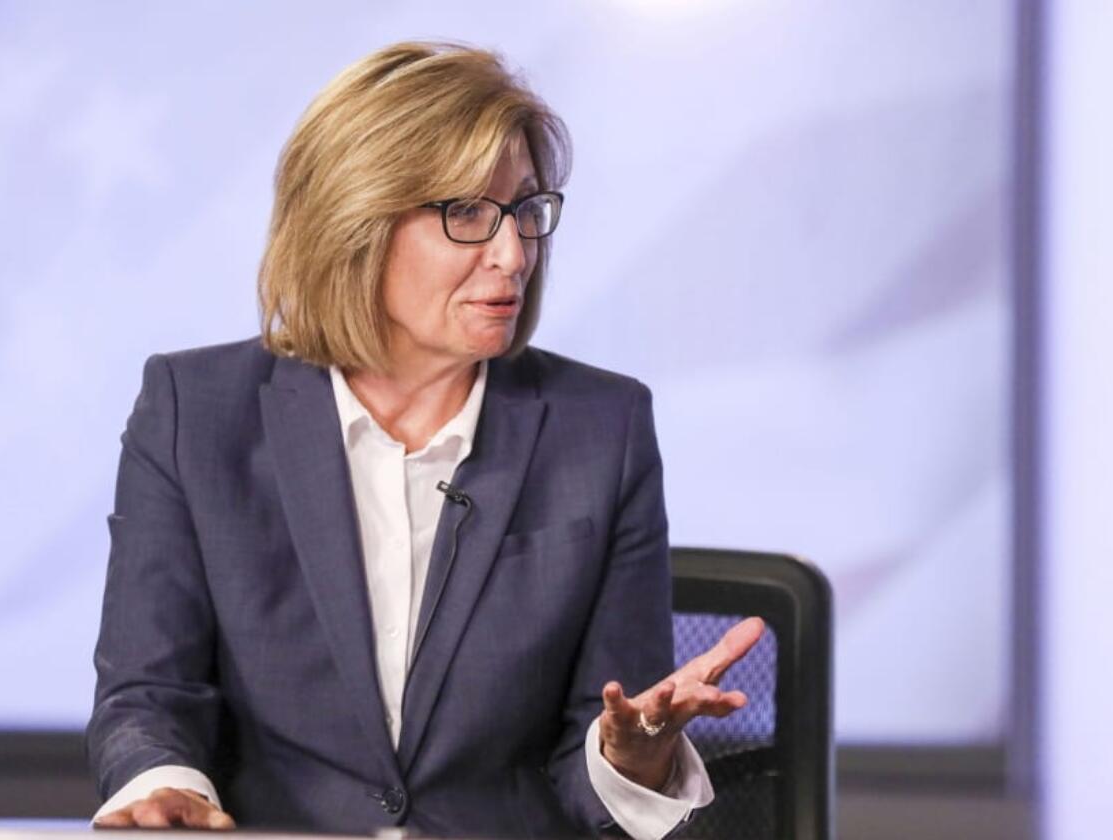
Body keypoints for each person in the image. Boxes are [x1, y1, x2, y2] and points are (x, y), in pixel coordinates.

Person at [87, 41, 764, 838]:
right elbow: (149, 695)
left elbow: (595, 751)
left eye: (525, 211)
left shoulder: (602, 427)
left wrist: (630, 760)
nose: (515, 254)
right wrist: (169, 788)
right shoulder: (193, 412)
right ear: (355, 220)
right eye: (469, 213)